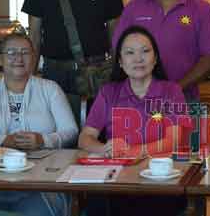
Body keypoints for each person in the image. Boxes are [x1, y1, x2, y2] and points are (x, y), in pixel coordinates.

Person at [0, 32, 77, 216]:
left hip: (44, 178)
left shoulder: (50, 89)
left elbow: (71, 131)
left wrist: (42, 140)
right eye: (11, 52)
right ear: (1, 59)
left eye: (25, 52)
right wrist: (2, 140)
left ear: (34, 58)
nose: (18, 58)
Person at [80, 26, 189, 216]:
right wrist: (103, 148)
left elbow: (174, 140)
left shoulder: (172, 91)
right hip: (117, 180)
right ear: (120, 62)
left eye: (145, 51)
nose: (138, 59)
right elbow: (85, 137)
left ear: (155, 59)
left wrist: (131, 152)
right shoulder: (108, 92)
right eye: (130, 53)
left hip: (160, 179)